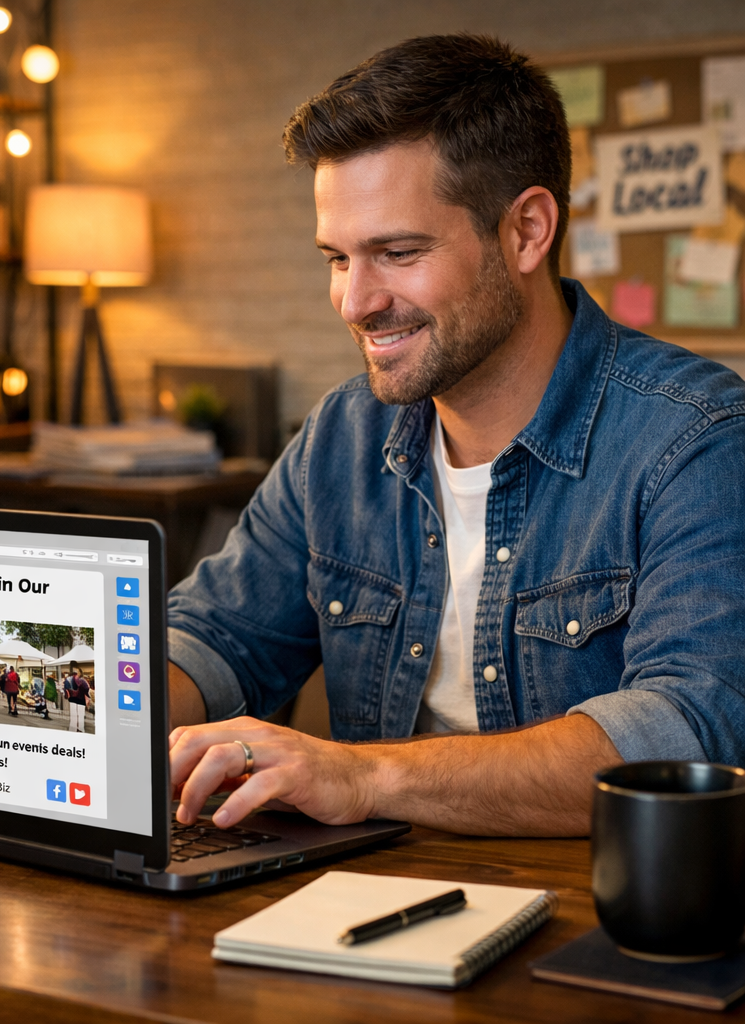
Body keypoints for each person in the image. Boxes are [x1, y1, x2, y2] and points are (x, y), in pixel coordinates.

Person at [166, 34, 745, 839]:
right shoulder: (342, 434)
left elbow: (684, 736)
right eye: (337, 258)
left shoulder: (697, 441)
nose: (355, 302)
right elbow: (218, 638)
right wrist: (89, 709)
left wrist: (360, 776)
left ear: (527, 231)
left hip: (590, 900)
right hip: (362, 892)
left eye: (398, 253)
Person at [66, 667, 90, 732]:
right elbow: (87, 689)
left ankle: (73, 729)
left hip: (72, 699)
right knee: (81, 715)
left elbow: (66, 688)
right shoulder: (83, 680)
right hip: (81, 699)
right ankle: (80, 729)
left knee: (73, 714)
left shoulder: (70, 679)